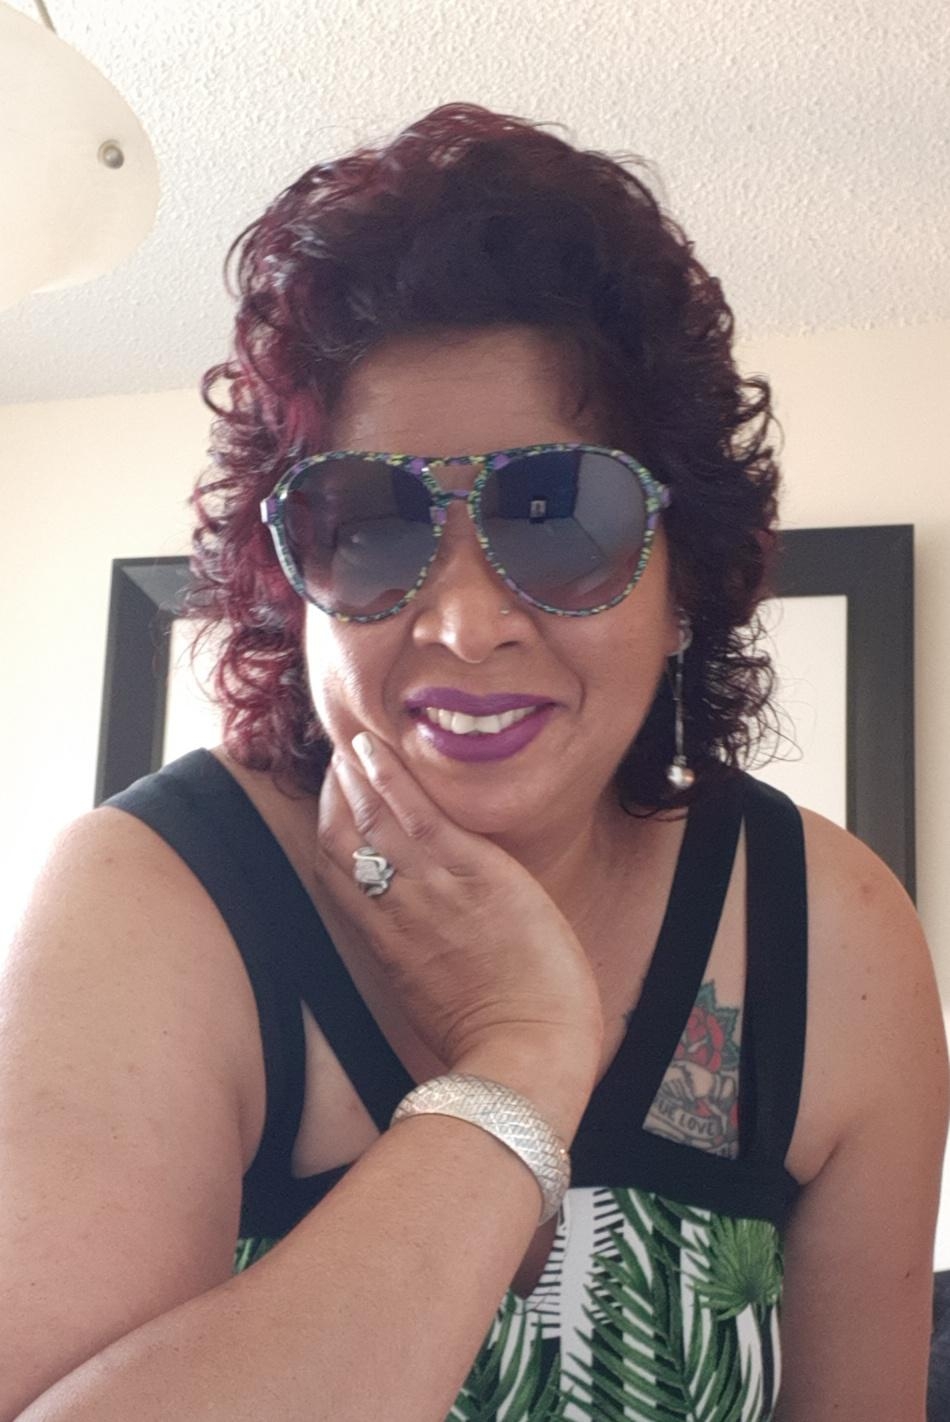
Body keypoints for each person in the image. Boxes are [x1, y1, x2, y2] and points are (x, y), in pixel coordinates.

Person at [1, 103, 946, 1422]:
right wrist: (516, 1066)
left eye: (561, 518)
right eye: (371, 524)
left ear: (684, 580)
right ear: (293, 585)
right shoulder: (156, 901)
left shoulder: (829, 937)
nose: (463, 621)